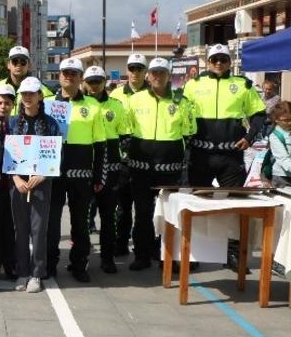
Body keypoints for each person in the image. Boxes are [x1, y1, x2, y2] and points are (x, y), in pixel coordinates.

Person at [122, 58, 195, 272]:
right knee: (143, 214)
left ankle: (168, 258)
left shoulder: (182, 101)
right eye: (153, 72)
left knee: (169, 216)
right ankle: (141, 256)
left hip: (170, 170)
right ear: (148, 75)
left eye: (161, 72)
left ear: (168, 75)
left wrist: (185, 168)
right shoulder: (135, 100)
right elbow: (126, 130)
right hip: (141, 168)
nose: (157, 76)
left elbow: (189, 133)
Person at [47, 58, 106, 283]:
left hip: (82, 176)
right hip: (54, 174)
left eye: (74, 73)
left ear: (81, 78)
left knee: (80, 224)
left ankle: (79, 264)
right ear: (59, 76)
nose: (69, 76)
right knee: (52, 224)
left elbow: (100, 145)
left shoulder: (93, 106)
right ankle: (50, 264)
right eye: (65, 72)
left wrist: (99, 175)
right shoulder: (49, 104)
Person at [184, 44, 268, 188]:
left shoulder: (243, 85)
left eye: (223, 59)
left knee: (233, 203)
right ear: (208, 62)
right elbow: (183, 116)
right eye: (214, 59)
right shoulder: (193, 85)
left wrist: (249, 138)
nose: (218, 63)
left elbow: (259, 115)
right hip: (201, 156)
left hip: (232, 156)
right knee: (197, 204)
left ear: (229, 62)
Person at [8, 77, 61, 293]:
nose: (28, 98)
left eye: (32, 93)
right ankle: (22, 271)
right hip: (18, 183)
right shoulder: (12, 123)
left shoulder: (50, 123)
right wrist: (16, 179)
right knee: (20, 229)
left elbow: (56, 154)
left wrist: (44, 176)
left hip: (41, 182)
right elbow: (6, 154)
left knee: (39, 230)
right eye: (24, 94)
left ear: (40, 96)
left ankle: (37, 273)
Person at [83, 65, 129, 274]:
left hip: (110, 170)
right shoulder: (78, 105)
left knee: (108, 217)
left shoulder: (117, 106)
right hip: (85, 168)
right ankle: (81, 258)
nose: (94, 85)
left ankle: (107, 258)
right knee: (81, 217)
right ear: (85, 82)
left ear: (104, 83)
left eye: (98, 81)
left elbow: (125, 137)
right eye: (90, 81)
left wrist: (122, 164)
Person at [109, 53, 148, 257]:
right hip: (122, 161)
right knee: (122, 208)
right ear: (127, 70)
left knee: (145, 210)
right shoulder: (115, 95)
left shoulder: (154, 93)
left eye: (139, 69)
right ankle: (121, 243)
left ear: (145, 72)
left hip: (147, 160)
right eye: (132, 68)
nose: (135, 72)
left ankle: (145, 247)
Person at [0, 85, 17, 279]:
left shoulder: (17, 124)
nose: (3, 107)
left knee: (11, 225)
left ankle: (11, 264)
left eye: (7, 103)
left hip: (13, 183)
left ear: (13, 105)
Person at [0, 46, 53, 114]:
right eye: (15, 61)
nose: (19, 65)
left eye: (23, 62)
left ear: (29, 65)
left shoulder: (42, 90)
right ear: (8, 64)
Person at [267, 102, 291, 187]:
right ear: (276, 120)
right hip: (283, 178)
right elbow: (283, 159)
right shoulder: (275, 136)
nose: (289, 123)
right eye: (286, 120)